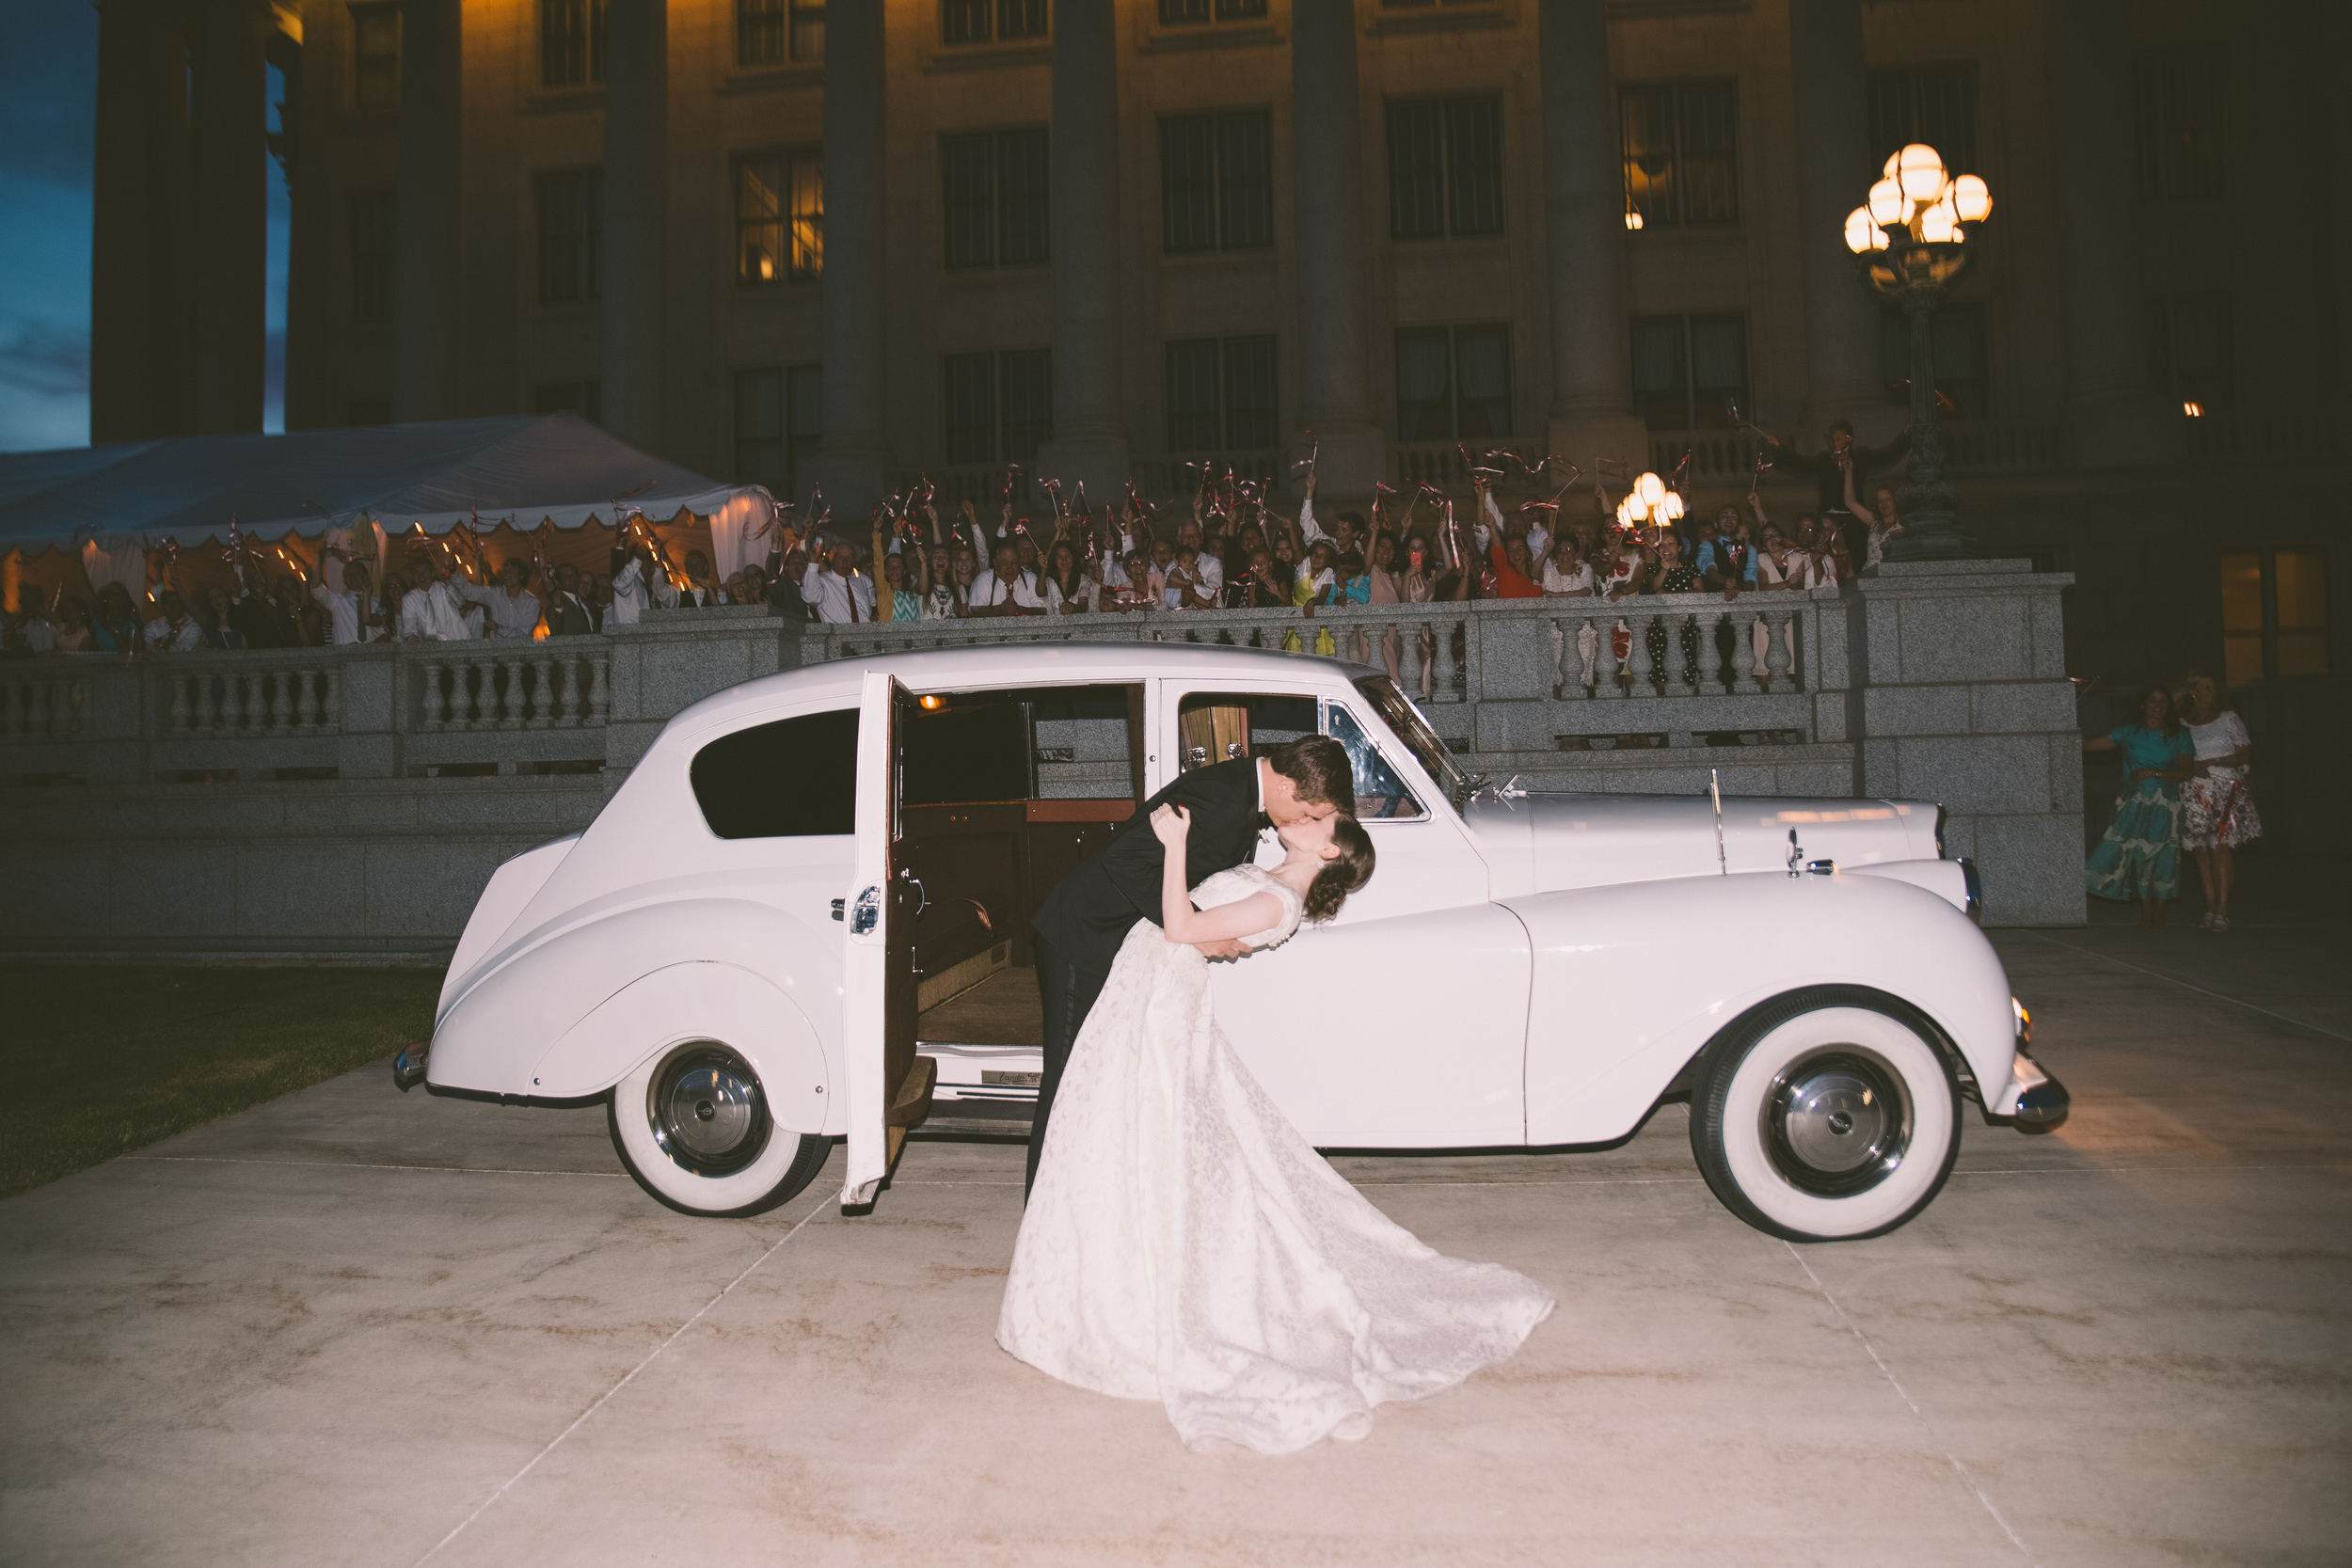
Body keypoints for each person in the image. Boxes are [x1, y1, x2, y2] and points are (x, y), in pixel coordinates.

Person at [999, 794, 1553, 1454]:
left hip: (1158, 999)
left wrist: (1175, 843)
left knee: (1146, 1139)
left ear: (1328, 850)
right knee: (1113, 1135)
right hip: (1143, 988)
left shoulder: (1278, 903)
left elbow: (1179, 925)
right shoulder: (1268, 878)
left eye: (1320, 821)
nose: (1306, 816)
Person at [1025, 736, 1351, 1198]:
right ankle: (1040, 1210)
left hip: (1124, 950)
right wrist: (1200, 928)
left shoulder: (1238, 794)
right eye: (1310, 810)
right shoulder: (1219, 797)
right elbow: (1124, 859)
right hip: (1083, 935)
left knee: (1100, 1079)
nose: (1304, 821)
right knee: (1066, 1082)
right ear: (1286, 784)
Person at [2083, 684, 2196, 927]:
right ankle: (2146, 908)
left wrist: (2154, 773)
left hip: (2166, 805)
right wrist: (2067, 714)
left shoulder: (2180, 734)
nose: (2157, 706)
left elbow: (2187, 772)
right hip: (2134, 804)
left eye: (2163, 701)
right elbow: (2089, 745)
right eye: (2152, 701)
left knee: (2165, 855)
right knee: (2139, 854)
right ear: (2143, 705)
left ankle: (2160, 908)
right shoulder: (2129, 732)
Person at [2177, 672, 2262, 933]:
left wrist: (2212, 762)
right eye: (2206, 686)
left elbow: (2243, 754)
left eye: (2213, 687)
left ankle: (2223, 910)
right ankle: (2211, 908)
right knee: (2201, 850)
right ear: (2194, 692)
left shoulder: (2229, 718)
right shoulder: (2183, 724)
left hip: (2225, 788)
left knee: (2220, 847)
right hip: (2195, 790)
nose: (2212, 691)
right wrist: (2193, 769)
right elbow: (2177, 757)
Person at [453, 556, 544, 639]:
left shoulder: (532, 602)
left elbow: (523, 632)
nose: (506, 574)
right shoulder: (494, 594)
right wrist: (453, 572)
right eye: (505, 571)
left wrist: (499, 628)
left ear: (522, 575)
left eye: (511, 571)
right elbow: (470, 591)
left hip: (521, 653)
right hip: (498, 654)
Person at [802, 537, 879, 623]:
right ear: (832, 560)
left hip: (865, 634)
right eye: (840, 557)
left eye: (849, 557)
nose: (845, 561)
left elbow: (872, 606)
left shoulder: (864, 580)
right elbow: (810, 597)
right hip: (838, 634)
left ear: (854, 561)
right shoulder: (823, 581)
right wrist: (813, 562)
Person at [545, 562, 602, 635]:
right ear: (558, 582)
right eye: (566, 576)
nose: (571, 578)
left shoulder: (587, 603)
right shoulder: (556, 603)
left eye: (574, 575)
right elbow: (554, 631)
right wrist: (558, 608)